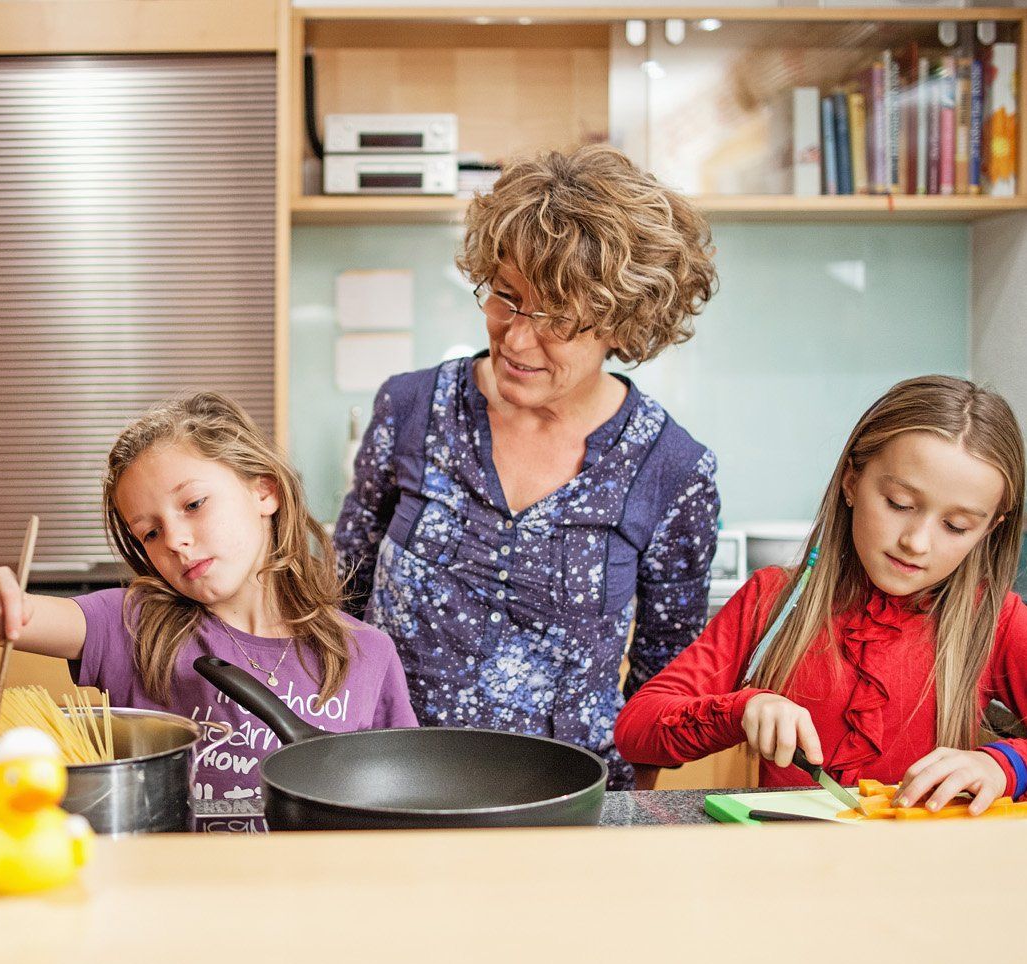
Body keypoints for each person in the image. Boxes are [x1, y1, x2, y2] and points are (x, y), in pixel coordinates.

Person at [333, 143, 720, 788]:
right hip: (391, 781)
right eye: (506, 298)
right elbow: (344, 592)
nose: (515, 337)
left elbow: (662, 688)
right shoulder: (408, 408)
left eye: (557, 318)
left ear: (624, 324)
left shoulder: (672, 471)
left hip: (566, 803)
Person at [0, 392, 417, 802]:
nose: (174, 540)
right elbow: (19, 616)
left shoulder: (366, 652)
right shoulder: (134, 625)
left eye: (193, 505)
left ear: (263, 491)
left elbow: (402, 797)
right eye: (149, 533)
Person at [615, 376, 1027, 815]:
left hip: (927, 876)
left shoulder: (996, 620)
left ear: (990, 528)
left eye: (957, 526)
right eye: (900, 503)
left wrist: (1003, 765)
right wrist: (741, 709)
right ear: (852, 480)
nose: (917, 542)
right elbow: (636, 729)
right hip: (790, 870)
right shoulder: (772, 599)